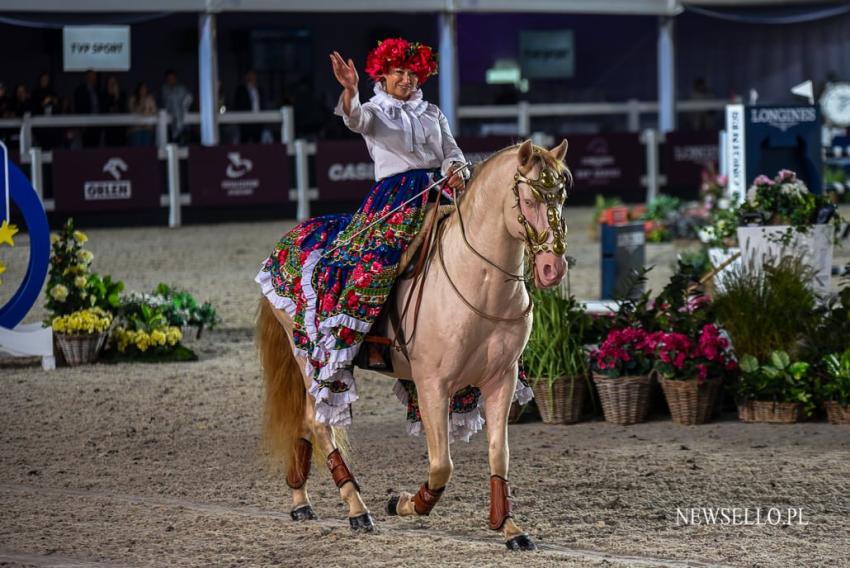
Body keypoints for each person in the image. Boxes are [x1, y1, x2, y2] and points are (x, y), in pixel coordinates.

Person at [255, 38, 467, 428]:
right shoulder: (374, 110)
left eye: (412, 72)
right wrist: (349, 91)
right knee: (376, 264)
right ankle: (362, 344)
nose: (406, 79)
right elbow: (355, 120)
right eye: (398, 72)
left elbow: (452, 150)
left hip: (441, 193)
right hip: (396, 200)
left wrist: (456, 166)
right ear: (382, 75)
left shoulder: (432, 112)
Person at [160, 69, 192, 144]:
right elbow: (167, 102)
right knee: (171, 147)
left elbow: (189, 98)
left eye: (172, 78)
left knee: (184, 147)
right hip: (169, 124)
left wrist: (184, 108)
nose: (171, 80)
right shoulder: (164, 89)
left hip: (183, 124)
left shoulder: (182, 88)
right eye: (169, 78)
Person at [233, 69, 263, 143]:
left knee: (258, 143)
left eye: (253, 76)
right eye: (250, 76)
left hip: (258, 122)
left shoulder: (260, 89)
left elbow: (263, 104)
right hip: (245, 123)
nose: (252, 78)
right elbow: (237, 105)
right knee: (244, 142)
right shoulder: (241, 90)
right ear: (246, 77)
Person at [73, 70, 103, 147]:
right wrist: (82, 124)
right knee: (86, 148)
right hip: (86, 126)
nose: (93, 78)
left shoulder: (99, 91)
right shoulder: (80, 91)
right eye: (92, 76)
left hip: (97, 125)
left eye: (95, 76)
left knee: (96, 147)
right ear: (87, 77)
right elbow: (78, 108)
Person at [128, 81, 157, 147]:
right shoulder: (133, 99)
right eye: (141, 89)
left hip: (147, 128)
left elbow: (154, 111)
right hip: (136, 129)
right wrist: (142, 106)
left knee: (146, 149)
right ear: (138, 89)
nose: (143, 90)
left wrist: (146, 111)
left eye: (144, 88)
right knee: (137, 149)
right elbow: (132, 111)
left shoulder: (150, 99)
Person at [104, 75, 127, 146]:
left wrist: (116, 96)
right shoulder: (104, 96)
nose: (112, 85)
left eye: (113, 83)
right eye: (110, 83)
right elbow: (106, 110)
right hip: (109, 131)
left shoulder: (122, 96)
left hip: (120, 131)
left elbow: (123, 110)